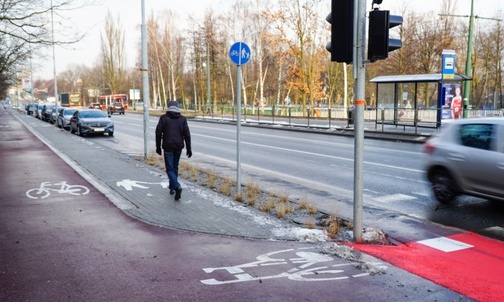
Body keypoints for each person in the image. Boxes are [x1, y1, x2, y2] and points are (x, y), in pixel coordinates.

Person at [155, 100, 192, 200]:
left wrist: (158, 147)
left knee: (169, 169)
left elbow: (158, 133)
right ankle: (172, 187)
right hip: (179, 146)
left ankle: (176, 186)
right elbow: (187, 135)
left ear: (168, 107)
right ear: (177, 107)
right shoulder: (182, 119)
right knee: (175, 166)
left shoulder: (164, 118)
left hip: (167, 146)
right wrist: (189, 148)